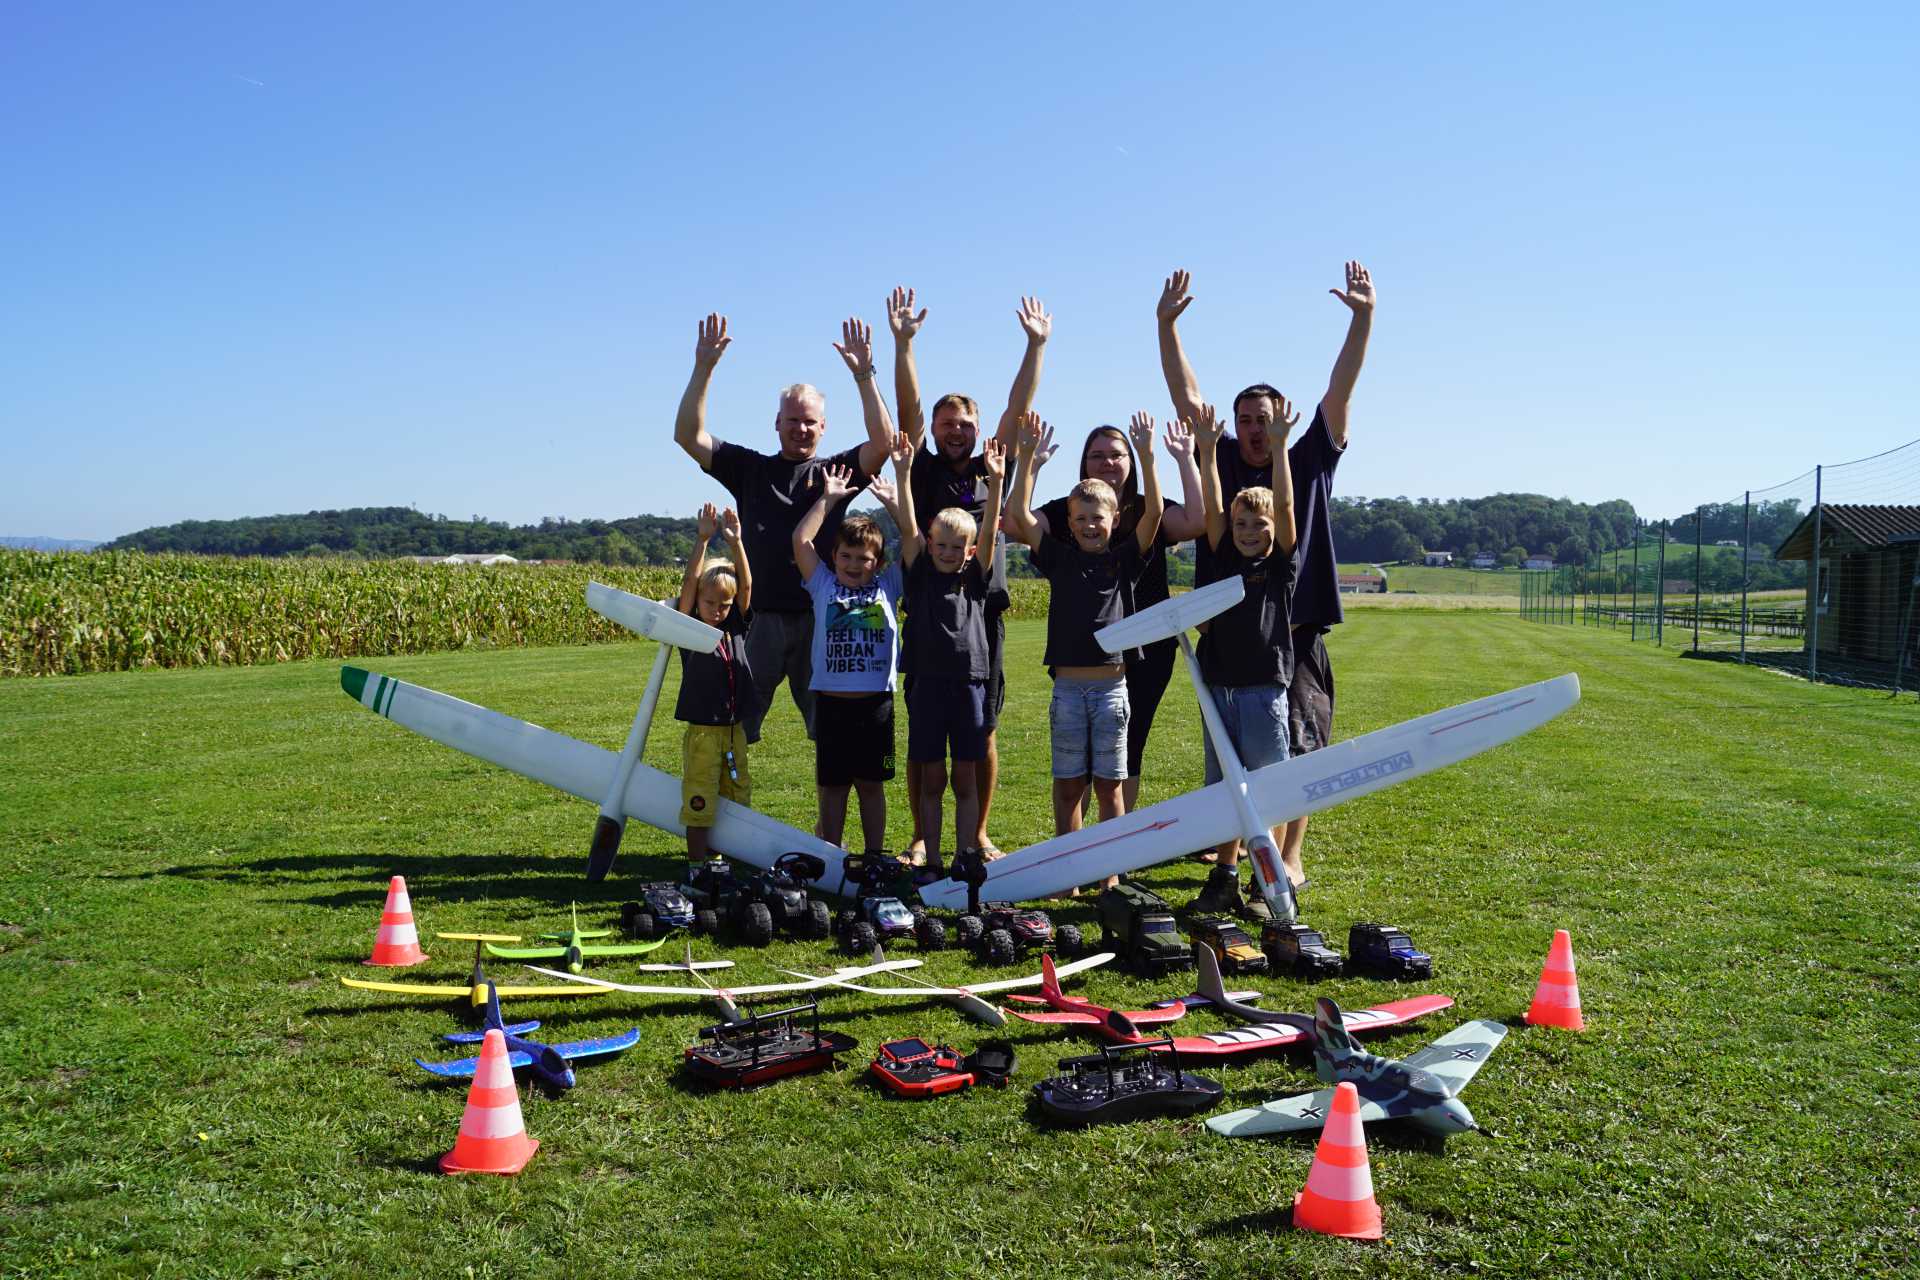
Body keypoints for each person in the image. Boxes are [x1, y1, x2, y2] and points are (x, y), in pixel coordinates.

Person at [1157, 261, 1375, 888]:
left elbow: (1342, 391)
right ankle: (1231, 850)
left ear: (1282, 416)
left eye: (1264, 417)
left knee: (1299, 747)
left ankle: (1291, 854)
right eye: (1245, 420)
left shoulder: (1307, 455)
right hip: (1229, 633)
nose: (1254, 429)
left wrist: (1362, 318)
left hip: (1297, 627)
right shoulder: (1220, 457)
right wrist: (1167, 327)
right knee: (1231, 752)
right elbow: (1185, 397)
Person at [673, 312, 894, 744]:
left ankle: (830, 814)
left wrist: (864, 375)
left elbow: (884, 443)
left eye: (810, 421)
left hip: (825, 618)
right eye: (792, 420)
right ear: (777, 423)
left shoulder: (837, 472)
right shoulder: (750, 469)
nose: (801, 428)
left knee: (834, 731)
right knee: (732, 726)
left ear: (824, 427)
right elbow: (687, 434)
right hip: (758, 621)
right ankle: (723, 804)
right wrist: (704, 367)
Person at [887, 287, 1049, 862]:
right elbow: (905, 412)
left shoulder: (991, 467)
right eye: (947, 422)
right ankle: (919, 836)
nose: (957, 430)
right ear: (934, 428)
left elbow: (1017, 406)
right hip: (930, 619)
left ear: (979, 430)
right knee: (925, 736)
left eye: (966, 423)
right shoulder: (924, 468)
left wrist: (1035, 346)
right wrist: (904, 344)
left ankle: (976, 833)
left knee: (984, 731)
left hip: (986, 618)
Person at [1029, 419, 1208, 819]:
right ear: (1083, 463)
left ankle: (1113, 850)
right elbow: (1017, 523)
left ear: (1131, 461)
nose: (1107, 462)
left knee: (1128, 751)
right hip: (1081, 655)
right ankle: (1081, 852)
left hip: (1147, 647)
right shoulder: (1066, 511)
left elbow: (1197, 521)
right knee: (1077, 764)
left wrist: (1181, 459)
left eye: (1116, 454)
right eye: (1097, 455)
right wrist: (1030, 464)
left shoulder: (1147, 508)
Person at [1004, 411, 1162, 852]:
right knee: (1069, 785)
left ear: (1114, 521)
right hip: (1069, 692)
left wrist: (1147, 455)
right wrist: (1030, 463)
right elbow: (1017, 513)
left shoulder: (1126, 561)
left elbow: (1155, 513)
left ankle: (1108, 871)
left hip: (1113, 691)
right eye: (1081, 519)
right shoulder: (1059, 558)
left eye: (1099, 519)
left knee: (1110, 788)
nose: (1090, 525)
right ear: (1069, 523)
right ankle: (1068, 866)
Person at [1187, 401, 1300, 918]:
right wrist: (1208, 452)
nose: (1248, 530)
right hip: (1220, 687)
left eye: (1258, 523)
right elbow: (1212, 508)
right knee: (1225, 790)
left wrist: (1278, 448)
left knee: (1269, 788)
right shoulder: (1225, 552)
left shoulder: (1278, 565)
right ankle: (1227, 874)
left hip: (1262, 687)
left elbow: (1288, 509)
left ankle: (1266, 879)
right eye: (1241, 523)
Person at [890, 430, 1006, 876]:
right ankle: (933, 859)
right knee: (932, 779)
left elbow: (992, 525)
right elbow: (906, 526)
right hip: (926, 686)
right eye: (940, 544)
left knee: (965, 778)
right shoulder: (918, 574)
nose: (947, 552)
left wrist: (995, 484)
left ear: (971, 551)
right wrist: (903, 474)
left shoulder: (975, 578)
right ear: (930, 542)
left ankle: (966, 855)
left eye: (957, 547)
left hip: (969, 687)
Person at [792, 463, 906, 856]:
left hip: (876, 704)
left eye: (864, 558)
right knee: (834, 786)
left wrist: (893, 505)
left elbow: (914, 541)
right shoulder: (822, 582)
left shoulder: (889, 586)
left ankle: (875, 856)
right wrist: (828, 498)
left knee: (872, 785)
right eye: (846, 556)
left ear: (878, 562)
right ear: (835, 556)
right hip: (832, 705)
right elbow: (801, 540)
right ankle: (832, 855)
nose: (854, 565)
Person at [673, 502, 756, 863]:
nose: (717, 610)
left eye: (724, 604)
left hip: (734, 730)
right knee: (700, 797)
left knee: (736, 794)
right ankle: (697, 865)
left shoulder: (735, 626)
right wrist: (703, 541)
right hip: (704, 734)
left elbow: (747, 585)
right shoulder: (689, 629)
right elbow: (690, 583)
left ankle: (728, 862)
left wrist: (736, 543)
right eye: (710, 603)